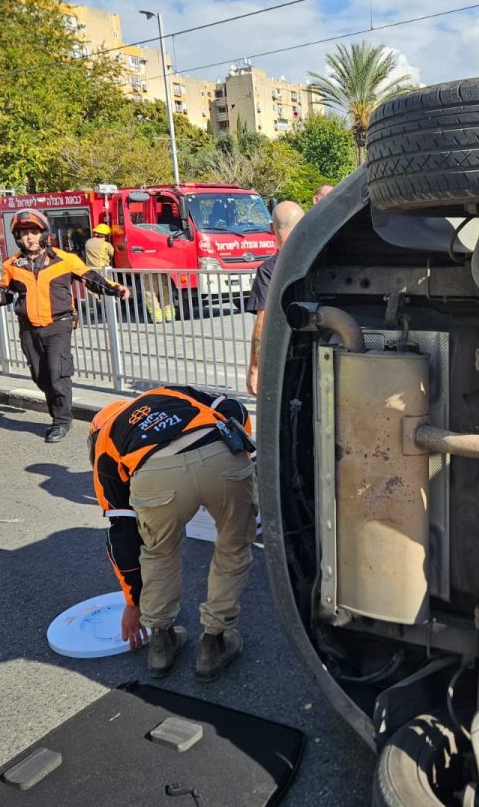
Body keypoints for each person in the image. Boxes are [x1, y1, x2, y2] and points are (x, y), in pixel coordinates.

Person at [90, 386, 258, 681]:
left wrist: (134, 601)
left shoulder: (105, 443)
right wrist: (240, 447)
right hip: (218, 452)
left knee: (158, 553)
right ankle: (214, 642)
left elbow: (123, 534)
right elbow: (232, 405)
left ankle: (161, 641)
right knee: (233, 547)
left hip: (155, 474)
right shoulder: (166, 393)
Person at [0, 208, 130, 442]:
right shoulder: (12, 265)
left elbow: (91, 278)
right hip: (28, 328)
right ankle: (58, 412)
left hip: (58, 324)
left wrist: (115, 288)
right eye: (23, 233)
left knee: (57, 373)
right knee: (41, 376)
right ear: (17, 238)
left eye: (33, 232)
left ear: (44, 234)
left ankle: (61, 420)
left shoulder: (64, 259)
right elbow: (8, 294)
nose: (29, 237)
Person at [245, 200, 305, 396]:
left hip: (283, 362)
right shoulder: (319, 259)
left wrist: (254, 369)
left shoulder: (269, 271)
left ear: (272, 228)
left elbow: (262, 324)